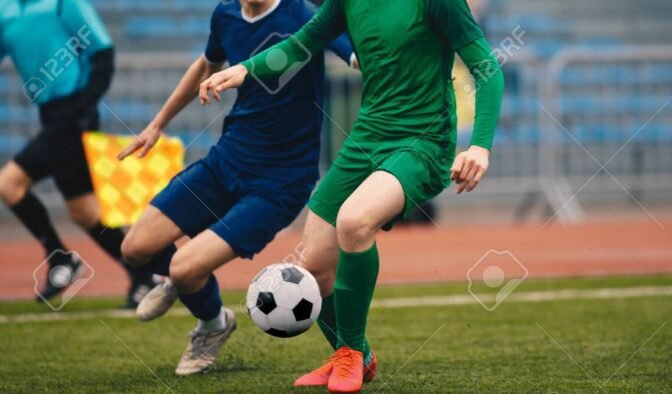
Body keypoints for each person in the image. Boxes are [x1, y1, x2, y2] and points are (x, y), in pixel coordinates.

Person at [199, 0, 504, 391]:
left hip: (423, 141)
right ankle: (356, 353)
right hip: (366, 136)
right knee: (314, 265)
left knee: (354, 222)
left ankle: (350, 356)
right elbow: (300, 44)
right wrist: (244, 69)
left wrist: (479, 146)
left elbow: (487, 69)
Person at [118, 0, 357, 376]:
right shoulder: (225, 15)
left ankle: (210, 322)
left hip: (280, 183)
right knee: (134, 247)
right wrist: (157, 123)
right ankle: (187, 284)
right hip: (226, 160)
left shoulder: (304, 15)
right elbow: (206, 64)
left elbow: (358, 56)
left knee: (184, 268)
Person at [0, 0, 156, 308]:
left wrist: (84, 107)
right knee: (84, 212)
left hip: (74, 117)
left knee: (9, 184)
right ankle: (144, 278)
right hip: (50, 114)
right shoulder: (5, 10)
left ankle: (60, 259)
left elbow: (103, 53)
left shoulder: (63, 3)